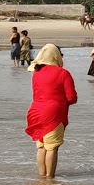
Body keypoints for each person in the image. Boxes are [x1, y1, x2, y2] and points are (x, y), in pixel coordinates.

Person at [24, 44, 78, 178]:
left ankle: (42, 177)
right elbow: (71, 97)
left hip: (35, 110)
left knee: (41, 146)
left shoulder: (36, 73)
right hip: (53, 112)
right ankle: (50, 180)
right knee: (52, 147)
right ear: (56, 56)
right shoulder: (63, 73)